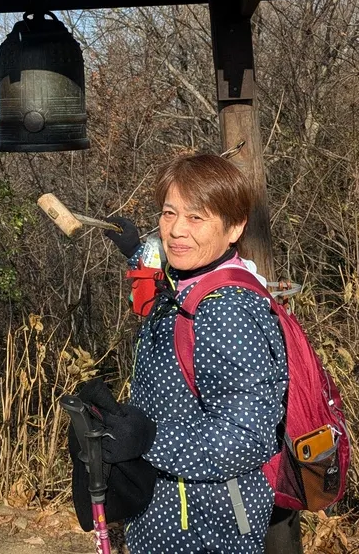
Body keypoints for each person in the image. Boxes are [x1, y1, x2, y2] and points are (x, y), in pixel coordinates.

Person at [99, 153, 289, 554]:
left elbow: (248, 438)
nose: (175, 231)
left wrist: (147, 438)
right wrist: (136, 251)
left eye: (196, 218)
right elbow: (168, 284)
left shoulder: (227, 309)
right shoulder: (194, 281)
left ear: (235, 227)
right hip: (168, 512)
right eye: (169, 214)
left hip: (206, 525)